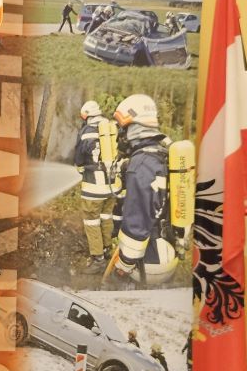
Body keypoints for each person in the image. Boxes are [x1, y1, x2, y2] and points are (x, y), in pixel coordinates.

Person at [112, 94, 178, 286]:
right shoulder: (160, 152)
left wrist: (124, 265)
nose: (120, 134)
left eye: (122, 128)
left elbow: (138, 223)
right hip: (164, 249)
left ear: (134, 127)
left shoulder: (141, 165)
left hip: (149, 262)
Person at [74, 100, 121, 274]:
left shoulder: (86, 132)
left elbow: (79, 159)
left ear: (85, 116)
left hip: (94, 188)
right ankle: (108, 249)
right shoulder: (111, 127)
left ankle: (98, 259)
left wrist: (80, 168)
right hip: (112, 186)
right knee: (106, 216)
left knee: (91, 221)